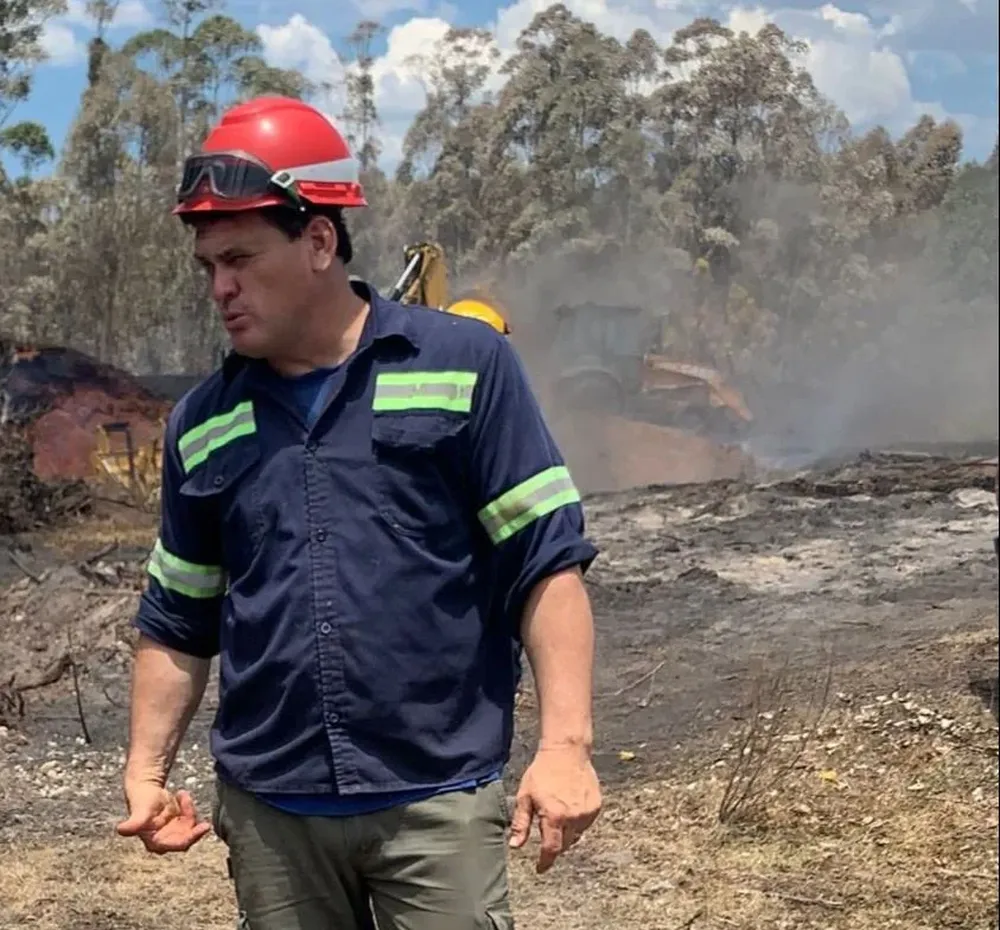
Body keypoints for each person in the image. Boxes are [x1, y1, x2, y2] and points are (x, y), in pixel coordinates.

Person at [115, 95, 602, 930]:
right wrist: (146, 771)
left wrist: (565, 746)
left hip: (437, 802)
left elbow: (544, 562)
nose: (220, 288)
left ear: (318, 240)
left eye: (239, 258)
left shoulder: (464, 364)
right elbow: (179, 613)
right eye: (208, 267)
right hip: (274, 818)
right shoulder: (202, 421)